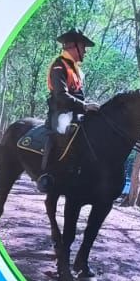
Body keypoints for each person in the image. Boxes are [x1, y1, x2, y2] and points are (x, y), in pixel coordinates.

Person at [38, 28, 94, 193]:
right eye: (83, 47)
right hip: (60, 110)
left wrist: (88, 105)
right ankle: (46, 174)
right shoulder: (58, 66)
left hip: (75, 109)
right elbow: (61, 95)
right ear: (73, 47)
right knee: (62, 130)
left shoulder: (75, 68)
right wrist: (84, 106)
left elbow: (78, 94)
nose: (85, 51)